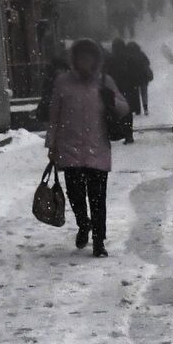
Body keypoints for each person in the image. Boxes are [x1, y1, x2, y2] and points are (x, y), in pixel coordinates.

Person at [44, 39, 129, 257]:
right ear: (74, 59)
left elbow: (123, 107)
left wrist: (111, 100)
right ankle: (84, 224)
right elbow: (54, 116)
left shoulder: (104, 81)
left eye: (89, 57)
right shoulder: (63, 82)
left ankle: (99, 241)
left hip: (97, 149)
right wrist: (51, 144)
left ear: (95, 59)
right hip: (69, 148)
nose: (85, 61)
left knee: (98, 199)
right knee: (76, 196)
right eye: (81, 57)